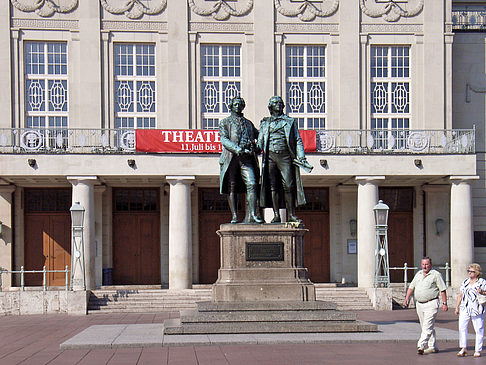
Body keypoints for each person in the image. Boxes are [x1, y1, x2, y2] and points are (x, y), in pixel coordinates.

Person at [257, 96, 310, 223]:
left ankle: (291, 214)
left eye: (280, 103)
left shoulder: (290, 121)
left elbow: (297, 139)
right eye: (275, 103)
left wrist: (301, 156)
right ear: (270, 107)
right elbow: (260, 142)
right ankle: (276, 215)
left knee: (289, 185)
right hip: (270, 156)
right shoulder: (265, 122)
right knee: (273, 186)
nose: (278, 105)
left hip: (285, 156)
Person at [219, 96, 263, 224]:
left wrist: (258, 144)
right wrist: (237, 149)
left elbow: (259, 135)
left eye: (240, 104)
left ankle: (253, 214)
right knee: (232, 187)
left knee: (252, 184)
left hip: (247, 158)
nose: (238, 106)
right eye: (235, 104)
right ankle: (234, 216)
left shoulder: (248, 123)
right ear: (231, 106)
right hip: (231, 158)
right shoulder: (225, 122)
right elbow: (224, 139)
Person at [404, 257, 448, 355]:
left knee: (427, 326)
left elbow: (443, 290)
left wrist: (444, 303)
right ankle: (433, 346)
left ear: (430, 265)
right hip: (419, 304)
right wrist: (407, 298)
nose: (425, 266)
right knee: (426, 326)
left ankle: (421, 345)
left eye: (427, 264)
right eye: (423, 264)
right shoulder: (418, 274)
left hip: (431, 303)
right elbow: (411, 286)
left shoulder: (436, 275)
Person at [454, 263, 486, 357]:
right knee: (462, 327)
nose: (470, 273)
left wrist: (482, 292)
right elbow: (460, 294)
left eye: (472, 271)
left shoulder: (482, 282)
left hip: (477, 308)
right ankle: (463, 348)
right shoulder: (465, 282)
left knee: (479, 328)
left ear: (477, 273)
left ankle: (477, 350)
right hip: (465, 307)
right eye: (469, 271)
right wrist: (457, 307)